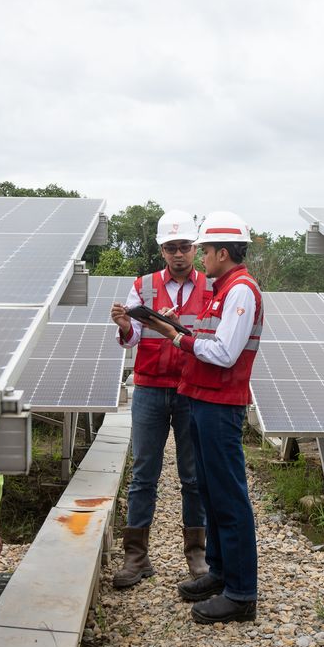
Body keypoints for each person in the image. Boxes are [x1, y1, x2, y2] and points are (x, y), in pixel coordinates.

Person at [138, 210, 263, 624]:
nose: (201, 256)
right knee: (210, 491)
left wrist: (179, 338)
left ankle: (242, 593)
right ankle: (220, 573)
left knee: (229, 497)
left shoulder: (240, 291)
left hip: (221, 404)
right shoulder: (222, 289)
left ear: (222, 252)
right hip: (203, 400)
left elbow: (225, 353)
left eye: (205, 249)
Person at [108, 209, 211, 589]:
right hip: (150, 386)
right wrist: (124, 328)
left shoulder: (211, 288)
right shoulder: (144, 285)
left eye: (185, 246)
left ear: (194, 248)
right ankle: (136, 556)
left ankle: (197, 554)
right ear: (162, 250)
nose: (179, 254)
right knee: (143, 473)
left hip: (190, 387)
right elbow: (134, 337)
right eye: (171, 248)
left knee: (193, 475)